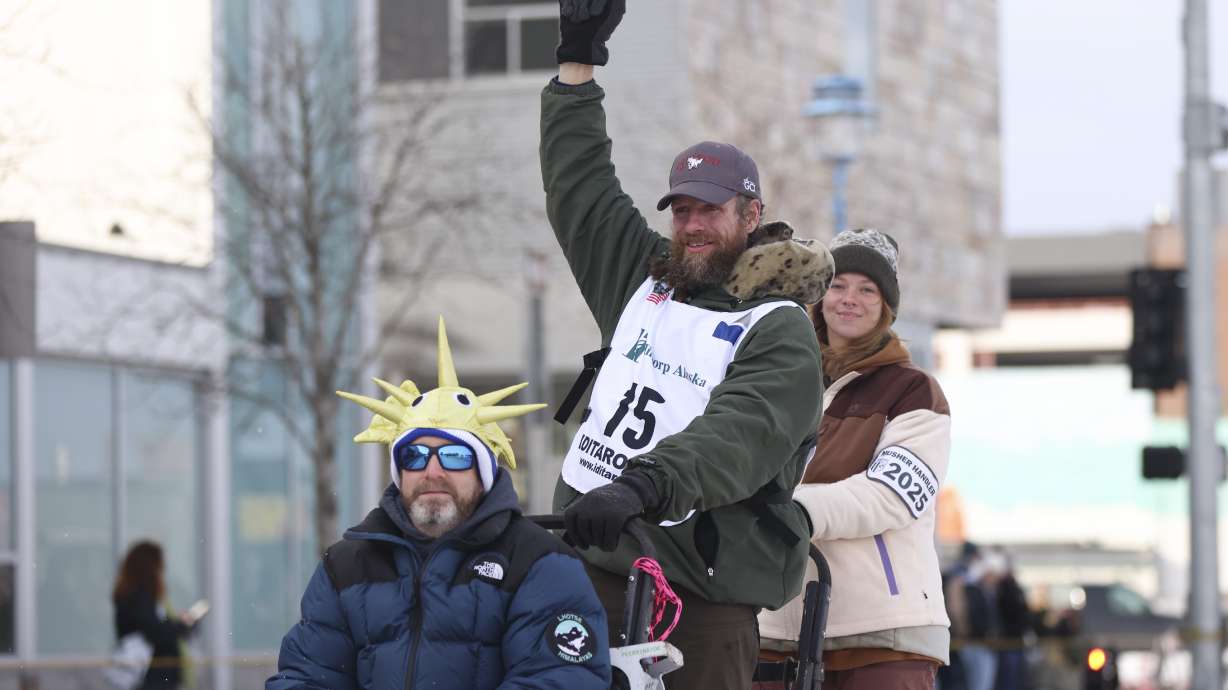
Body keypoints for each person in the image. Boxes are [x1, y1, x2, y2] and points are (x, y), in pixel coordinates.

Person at [542, 3, 833, 687]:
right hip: (592, 568)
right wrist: (576, 64)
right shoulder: (646, 281)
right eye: (683, 210)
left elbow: (738, 434)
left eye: (711, 209)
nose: (693, 225)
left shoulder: (780, 329)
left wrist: (644, 483)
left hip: (697, 599)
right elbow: (579, 188)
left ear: (751, 215)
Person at [267, 318, 610, 690]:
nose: (432, 471)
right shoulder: (346, 567)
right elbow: (304, 678)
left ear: (483, 471)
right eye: (413, 456)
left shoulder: (541, 564)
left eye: (455, 457)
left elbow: (560, 680)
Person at [758, 228, 953, 690]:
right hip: (772, 622)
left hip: (882, 630)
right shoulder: (777, 381)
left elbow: (891, 495)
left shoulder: (914, 391)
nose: (850, 299)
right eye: (838, 284)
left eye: (868, 289)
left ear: (886, 307)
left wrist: (794, 510)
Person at [111, 541, 198, 690]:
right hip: (151, 676)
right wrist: (182, 625)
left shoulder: (132, 595)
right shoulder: (140, 596)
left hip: (148, 675)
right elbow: (154, 631)